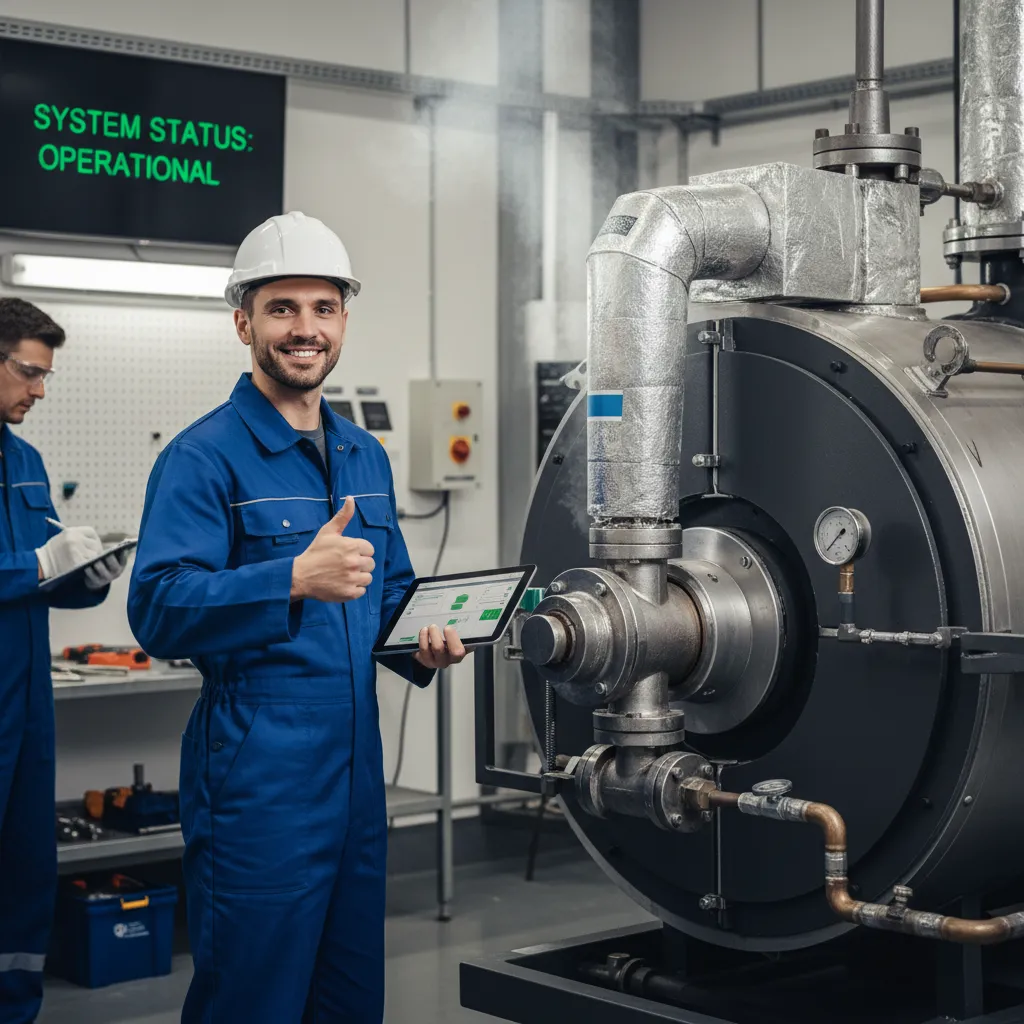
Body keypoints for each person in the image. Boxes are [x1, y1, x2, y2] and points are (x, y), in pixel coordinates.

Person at [127, 211, 466, 1023]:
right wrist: (289, 579)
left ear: (344, 319)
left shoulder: (364, 455)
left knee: (349, 999)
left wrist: (426, 642)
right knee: (253, 998)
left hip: (355, 777)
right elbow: (158, 608)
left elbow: (386, 597)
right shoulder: (202, 457)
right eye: (282, 309)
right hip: (259, 780)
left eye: (323, 308)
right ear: (244, 321)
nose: (304, 328)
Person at [0, 297, 127, 1023]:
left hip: (27, 712)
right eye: (28, 373)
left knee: (24, 872)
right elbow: (27, 566)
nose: (40, 391)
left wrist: (86, 579)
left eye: (46, 377)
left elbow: (47, 583)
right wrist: (35, 563)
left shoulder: (26, 461)